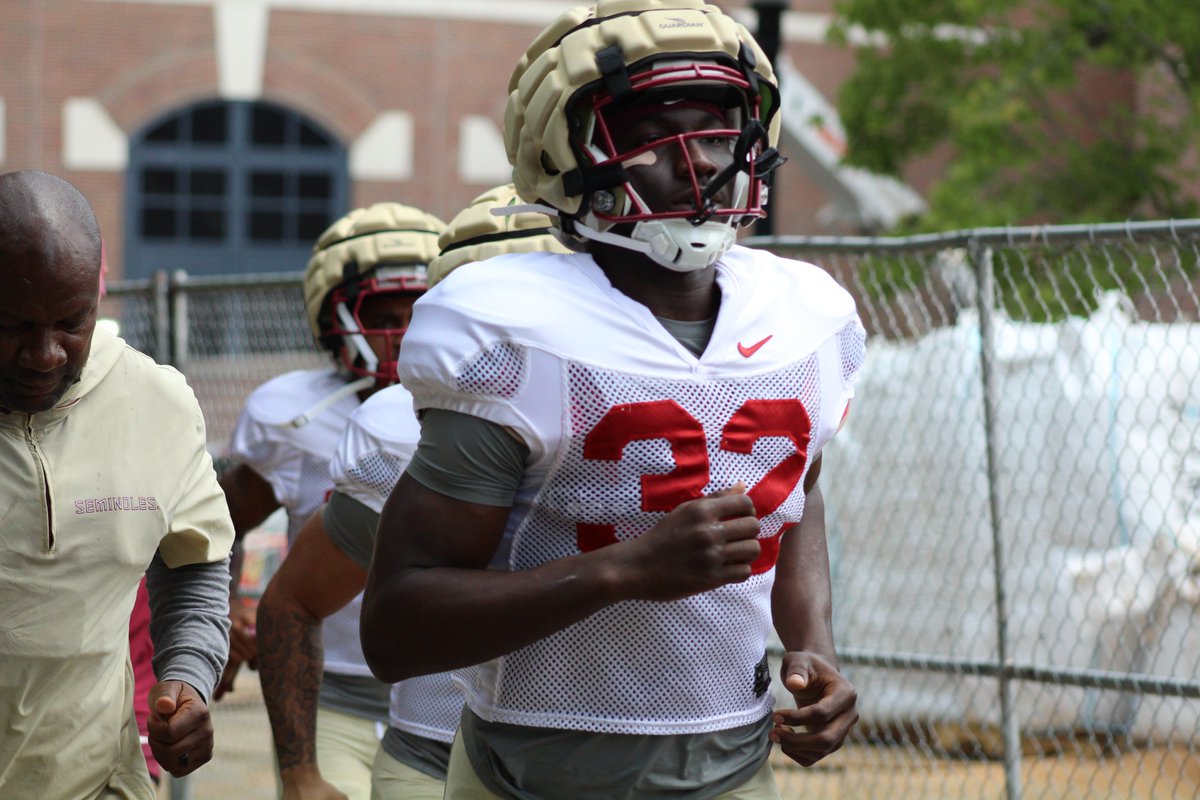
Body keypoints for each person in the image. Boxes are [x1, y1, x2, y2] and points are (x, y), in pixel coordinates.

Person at [361, 2, 867, 798]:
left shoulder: (805, 315)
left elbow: (798, 492)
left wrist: (813, 643)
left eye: (715, 131)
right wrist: (623, 570)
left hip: (734, 761)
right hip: (533, 772)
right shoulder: (518, 331)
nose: (695, 162)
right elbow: (396, 627)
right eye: (650, 133)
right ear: (564, 156)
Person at [257, 185, 569, 800]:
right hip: (417, 741)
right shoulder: (395, 427)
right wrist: (300, 775)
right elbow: (290, 599)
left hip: (608, 759)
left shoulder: (665, 406)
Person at [0, 170, 234, 798]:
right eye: (13, 325)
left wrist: (187, 677)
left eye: (70, 322)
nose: (45, 354)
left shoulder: (156, 402)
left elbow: (193, 563)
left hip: (98, 782)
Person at [221, 201, 445, 799]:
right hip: (330, 692)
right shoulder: (297, 417)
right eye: (382, 315)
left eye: (419, 311)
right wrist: (222, 611)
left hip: (447, 696)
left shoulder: (485, 409)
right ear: (333, 318)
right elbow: (218, 521)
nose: (402, 333)